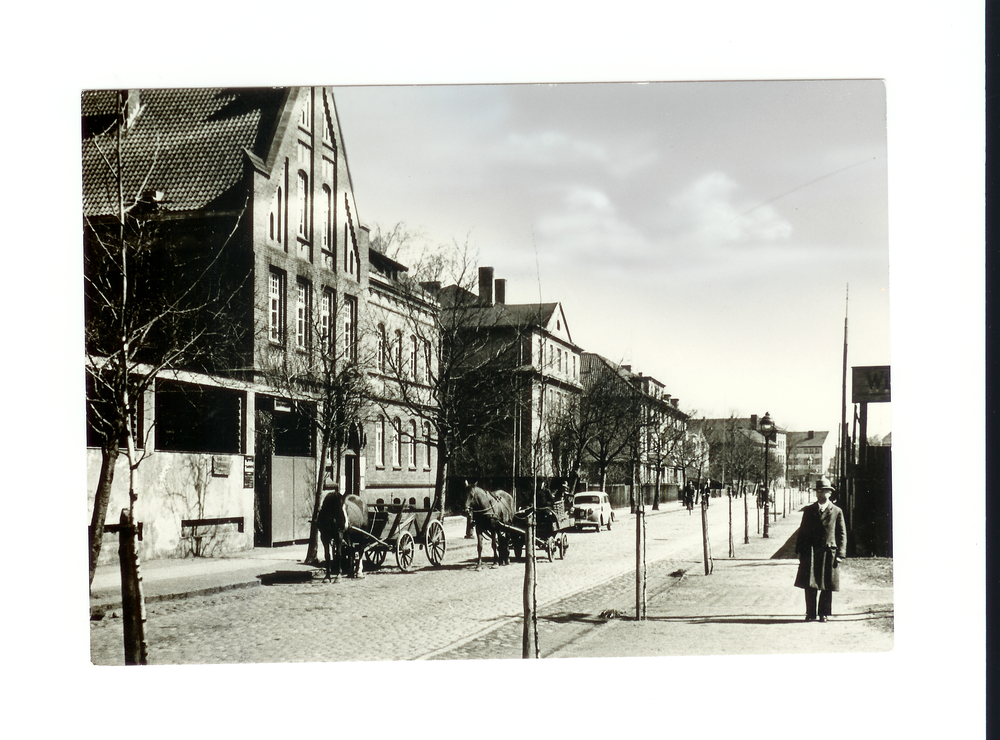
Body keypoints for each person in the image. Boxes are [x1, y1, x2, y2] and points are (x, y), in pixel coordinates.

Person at [794, 476, 847, 622]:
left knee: (826, 584)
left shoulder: (836, 511)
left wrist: (840, 554)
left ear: (830, 493)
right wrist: (799, 551)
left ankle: (823, 613)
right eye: (817, 491)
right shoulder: (809, 510)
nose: (820, 494)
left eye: (823, 491)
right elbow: (802, 531)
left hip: (828, 552)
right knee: (810, 584)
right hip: (811, 552)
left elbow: (842, 533)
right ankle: (810, 613)